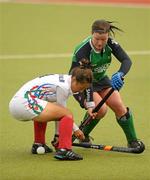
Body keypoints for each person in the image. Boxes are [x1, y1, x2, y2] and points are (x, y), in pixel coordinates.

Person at [52, 19, 145, 151]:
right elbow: (84, 79)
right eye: (97, 39)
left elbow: (126, 60)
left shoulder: (111, 44)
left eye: (104, 39)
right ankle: (83, 134)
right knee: (100, 109)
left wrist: (120, 74)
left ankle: (133, 141)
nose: (100, 43)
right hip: (81, 83)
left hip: (101, 80)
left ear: (108, 36)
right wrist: (90, 103)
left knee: (119, 106)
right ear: (91, 34)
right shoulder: (83, 50)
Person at [9, 64, 93, 161]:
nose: (81, 91)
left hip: (17, 103)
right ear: (74, 79)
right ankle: (65, 150)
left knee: (46, 108)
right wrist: (76, 130)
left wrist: (57, 136)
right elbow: (64, 112)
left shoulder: (65, 80)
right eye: (81, 87)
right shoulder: (63, 87)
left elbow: (58, 112)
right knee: (67, 113)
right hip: (24, 103)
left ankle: (38, 144)